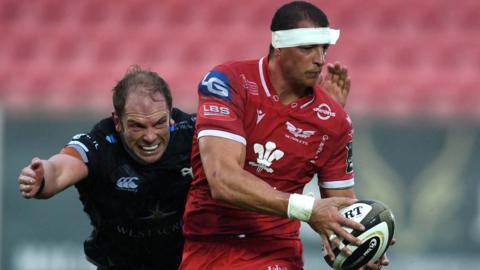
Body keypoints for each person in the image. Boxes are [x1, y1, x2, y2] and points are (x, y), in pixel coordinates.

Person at [180, 1, 391, 270]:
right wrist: (309, 209)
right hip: (209, 245)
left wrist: (359, 240)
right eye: (307, 49)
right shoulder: (228, 81)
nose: (320, 59)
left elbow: (341, 207)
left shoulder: (335, 121)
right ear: (278, 47)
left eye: (324, 49)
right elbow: (223, 180)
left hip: (276, 251)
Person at [17, 66, 196, 270]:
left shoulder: (194, 133)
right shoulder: (100, 144)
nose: (150, 137)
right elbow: (60, 170)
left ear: (170, 115)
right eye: (137, 126)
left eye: (159, 123)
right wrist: (41, 177)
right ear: (118, 122)